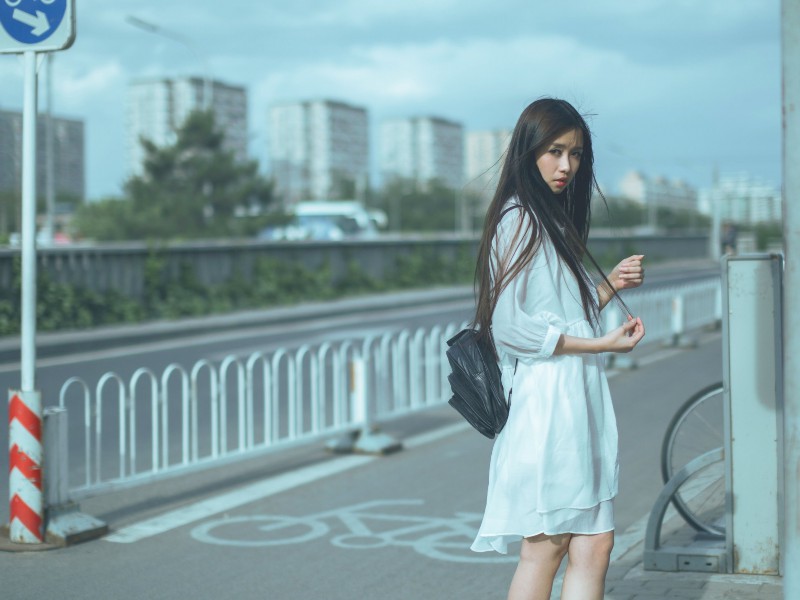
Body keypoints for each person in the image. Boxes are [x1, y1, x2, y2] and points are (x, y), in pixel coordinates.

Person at [470, 98, 646, 600]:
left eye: (575, 154)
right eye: (554, 152)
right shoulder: (519, 219)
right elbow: (509, 327)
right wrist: (600, 343)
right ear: (528, 152)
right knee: (546, 546)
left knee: (594, 546)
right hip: (548, 402)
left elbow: (557, 311)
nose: (566, 165)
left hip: (574, 396)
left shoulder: (549, 220)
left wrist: (609, 286)